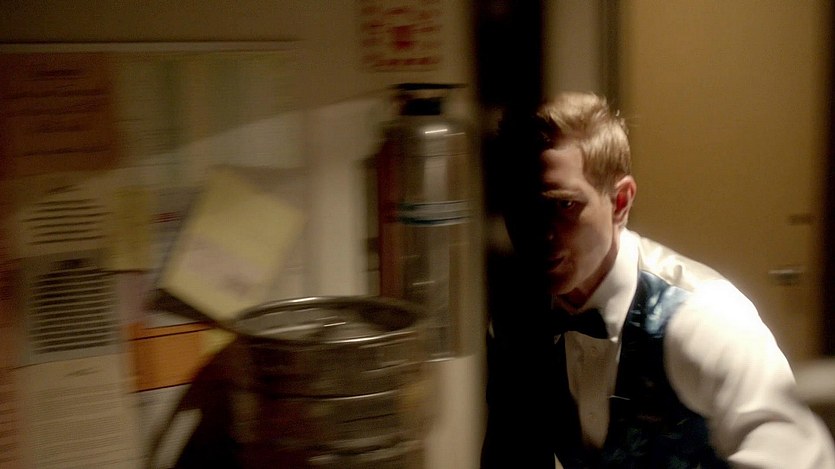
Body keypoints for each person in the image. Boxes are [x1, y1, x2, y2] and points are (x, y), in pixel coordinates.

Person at [479, 91, 835, 468]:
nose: (539, 232)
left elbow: (800, 459)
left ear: (620, 202)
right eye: (521, 206)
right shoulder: (517, 321)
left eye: (564, 205)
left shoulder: (702, 317)